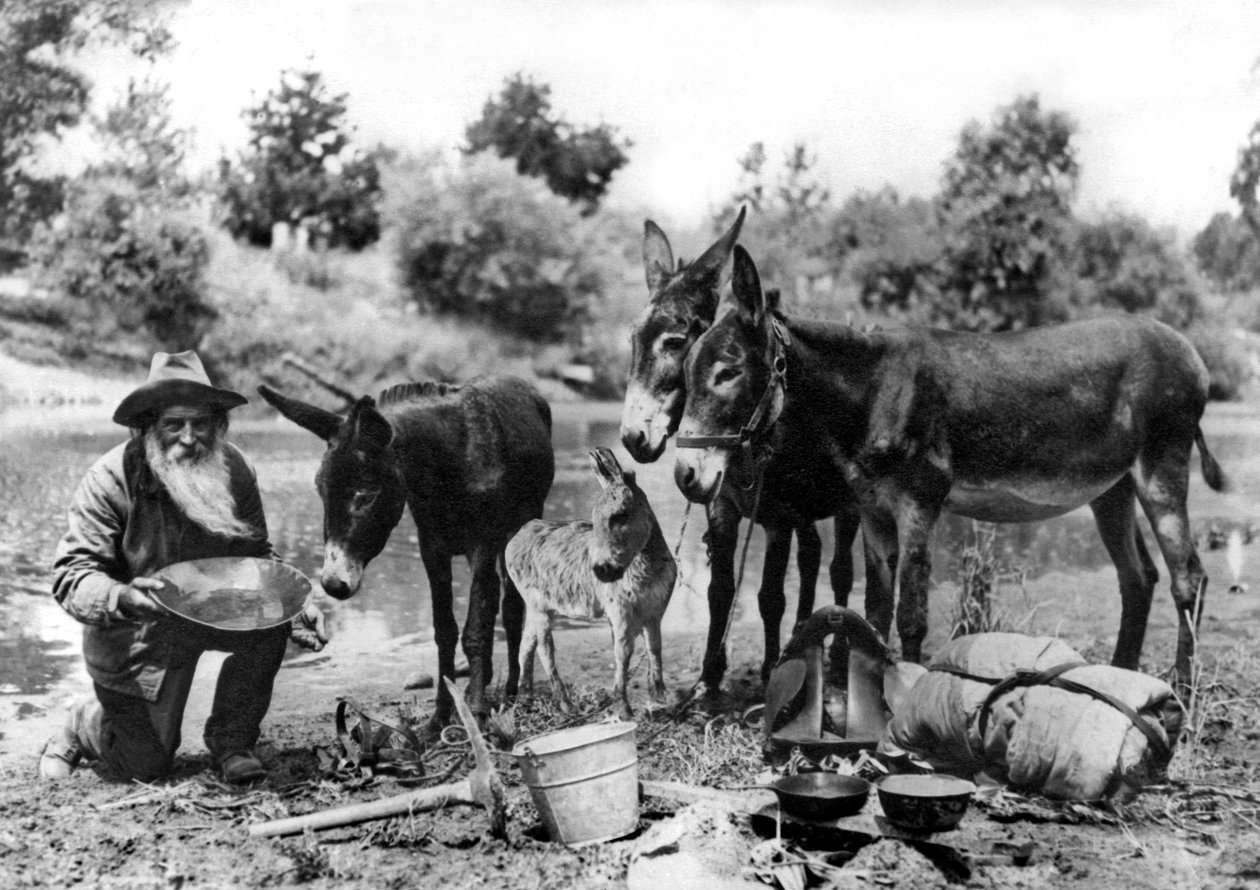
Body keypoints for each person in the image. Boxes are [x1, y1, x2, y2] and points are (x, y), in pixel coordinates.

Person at [39, 351, 329, 784]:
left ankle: (232, 741)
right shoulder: (108, 480)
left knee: (273, 619)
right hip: (139, 635)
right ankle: (84, 722)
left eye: (201, 424)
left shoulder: (235, 470)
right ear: (148, 428)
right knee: (146, 768)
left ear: (218, 425)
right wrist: (123, 597)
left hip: (211, 611)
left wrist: (297, 603)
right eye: (174, 424)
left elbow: (258, 557)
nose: (189, 437)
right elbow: (72, 576)